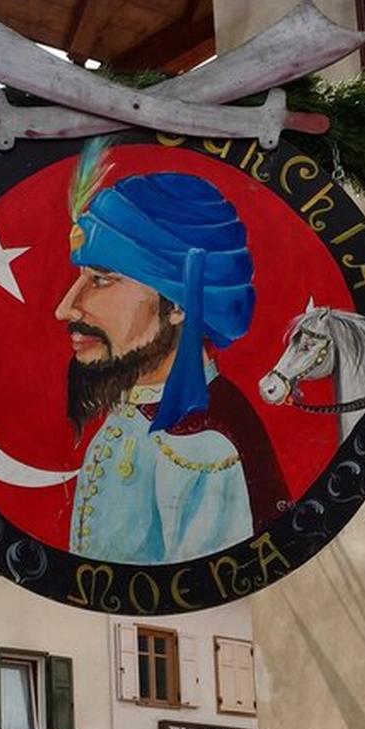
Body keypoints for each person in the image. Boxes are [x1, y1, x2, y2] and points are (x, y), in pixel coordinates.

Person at [57, 147, 289, 564]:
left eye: (101, 280)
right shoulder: (135, 410)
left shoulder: (207, 446)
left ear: (178, 304)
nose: (67, 308)